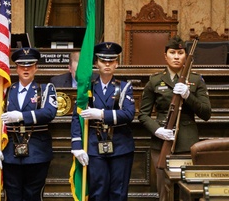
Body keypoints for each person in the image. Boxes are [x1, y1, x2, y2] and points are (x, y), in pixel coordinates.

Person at [138, 35, 211, 201]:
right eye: (172, 52)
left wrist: (188, 96)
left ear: (185, 56)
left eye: (180, 53)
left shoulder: (195, 80)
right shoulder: (155, 80)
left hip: (187, 143)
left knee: (188, 190)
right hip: (162, 142)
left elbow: (206, 113)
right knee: (164, 191)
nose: (176, 56)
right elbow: (143, 114)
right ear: (165, 56)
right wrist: (158, 130)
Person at [0, 47, 58, 201]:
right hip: (9, 151)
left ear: (36, 68)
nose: (26, 68)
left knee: (33, 195)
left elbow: (49, 112)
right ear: (16, 68)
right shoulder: (5, 91)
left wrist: (21, 116)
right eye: (22, 65)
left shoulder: (45, 90)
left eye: (30, 65)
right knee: (12, 195)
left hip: (37, 151)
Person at [71, 42, 136, 201]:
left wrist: (101, 114)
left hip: (120, 145)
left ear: (117, 64)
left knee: (118, 193)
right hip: (94, 146)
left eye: (111, 61)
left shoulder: (124, 87)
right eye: (103, 60)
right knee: (97, 192)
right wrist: (77, 146)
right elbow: (76, 117)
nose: (107, 64)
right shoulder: (88, 89)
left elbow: (128, 114)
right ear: (96, 63)